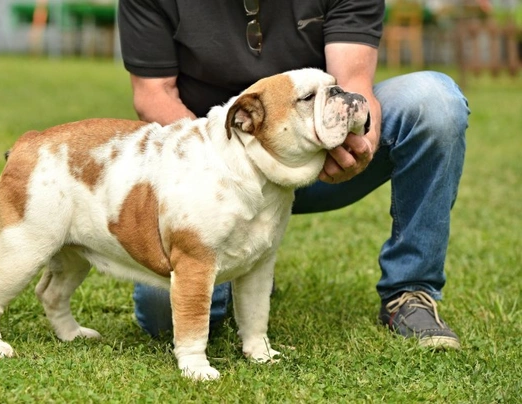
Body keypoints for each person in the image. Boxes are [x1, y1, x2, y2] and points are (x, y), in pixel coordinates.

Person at [117, 0, 469, 349]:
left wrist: (361, 140)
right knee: (162, 315)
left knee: (434, 103)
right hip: (215, 177)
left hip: (320, 158)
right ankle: (244, 260)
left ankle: (410, 292)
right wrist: (221, 167)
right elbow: (153, 94)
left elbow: (352, 82)